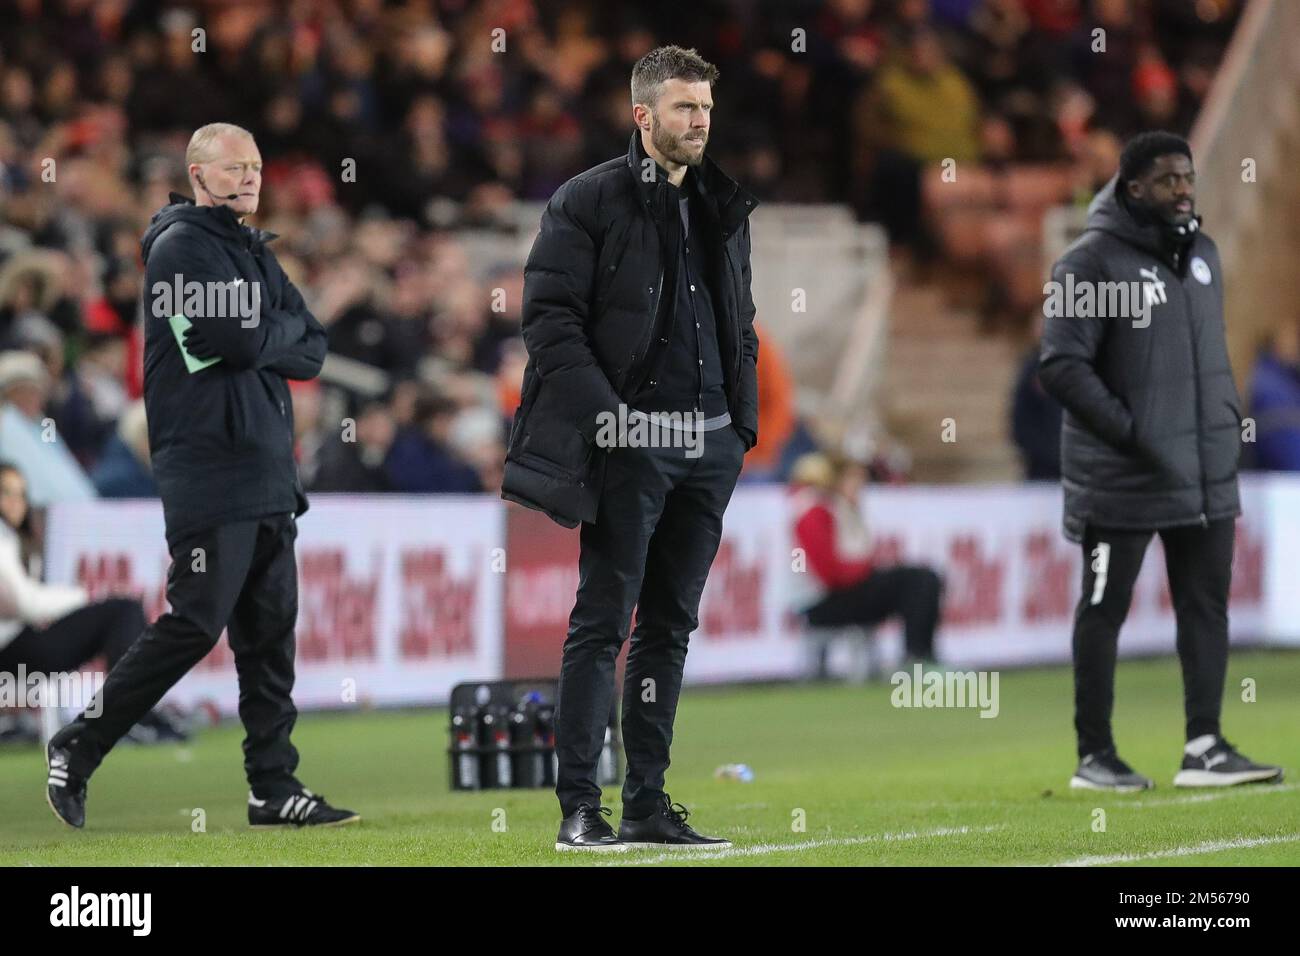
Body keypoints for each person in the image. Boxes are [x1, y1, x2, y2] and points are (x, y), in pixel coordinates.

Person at [45, 123, 358, 829]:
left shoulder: (246, 247)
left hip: (265, 466)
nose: (250, 178)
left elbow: (314, 347)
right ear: (197, 174)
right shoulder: (182, 246)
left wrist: (271, 332)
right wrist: (274, 330)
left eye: (255, 167)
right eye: (234, 167)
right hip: (212, 467)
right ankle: (80, 741)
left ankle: (273, 788)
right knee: (195, 621)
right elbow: (243, 341)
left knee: (269, 636)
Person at [502, 46, 758, 851]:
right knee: (602, 622)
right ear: (643, 116)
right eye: (686, 109)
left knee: (669, 626)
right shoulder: (588, 201)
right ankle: (581, 806)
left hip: (709, 444)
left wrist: (738, 428)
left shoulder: (721, 201)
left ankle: (647, 803)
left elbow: (739, 323)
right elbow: (548, 323)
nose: (701, 122)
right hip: (633, 441)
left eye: (707, 109)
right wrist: (608, 419)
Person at [1039, 131, 1282, 791]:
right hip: (1121, 477)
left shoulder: (1203, 254)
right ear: (1134, 188)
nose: (1183, 190)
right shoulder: (1086, 264)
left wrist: (1221, 431)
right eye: (1169, 180)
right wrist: (1136, 432)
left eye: (1188, 178)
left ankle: (1204, 747)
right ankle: (1096, 757)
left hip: (1203, 472)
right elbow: (1060, 367)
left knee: (1205, 607)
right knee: (1103, 610)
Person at [789, 451, 943, 674]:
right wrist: (866, 568)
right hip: (822, 601)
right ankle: (917, 658)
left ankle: (921, 655)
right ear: (835, 480)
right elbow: (831, 574)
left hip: (844, 592)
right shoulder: (815, 512)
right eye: (853, 479)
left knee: (922, 579)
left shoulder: (844, 510)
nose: (860, 486)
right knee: (919, 580)